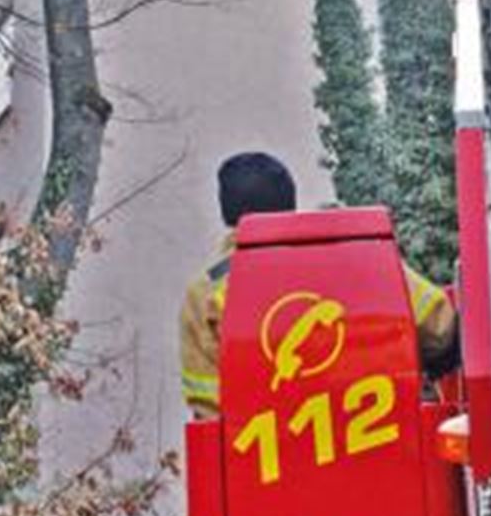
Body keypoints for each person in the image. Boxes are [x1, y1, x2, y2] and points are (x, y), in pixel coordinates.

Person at [180, 151, 458, 418]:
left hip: (264, 457)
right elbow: (442, 327)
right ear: (289, 201)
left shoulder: (206, 294)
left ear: (225, 211)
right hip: (385, 441)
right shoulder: (362, 261)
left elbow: (209, 409)